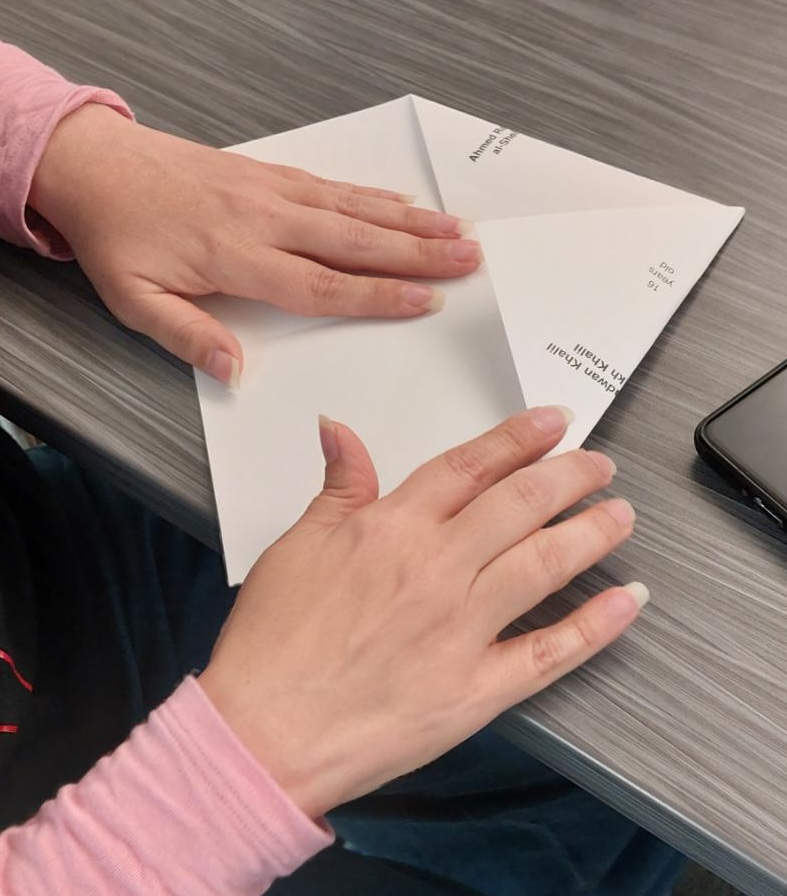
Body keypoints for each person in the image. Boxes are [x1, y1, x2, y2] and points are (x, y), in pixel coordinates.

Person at [0, 40, 685, 895]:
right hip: (138, 835)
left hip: (52, 578)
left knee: (592, 703)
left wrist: (58, 147)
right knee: (627, 759)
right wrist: (248, 755)